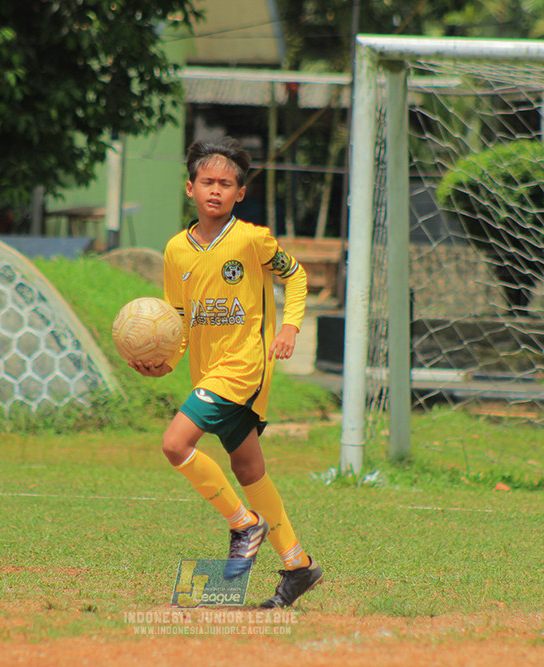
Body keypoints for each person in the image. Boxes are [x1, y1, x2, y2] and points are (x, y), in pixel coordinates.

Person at [131, 137, 322, 608]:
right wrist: (166, 362)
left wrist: (291, 327)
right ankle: (298, 565)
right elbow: (178, 315)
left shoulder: (252, 240)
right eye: (207, 182)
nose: (216, 190)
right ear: (190, 187)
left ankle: (245, 524)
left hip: (243, 367)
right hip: (208, 370)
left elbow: (296, 276)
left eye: (227, 184)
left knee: (175, 443)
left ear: (240, 193)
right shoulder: (176, 250)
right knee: (247, 467)